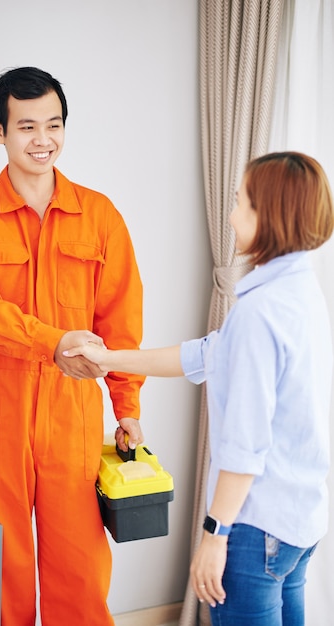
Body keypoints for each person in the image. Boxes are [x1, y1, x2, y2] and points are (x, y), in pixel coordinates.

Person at [64, 152, 334, 626]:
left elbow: (245, 447)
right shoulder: (302, 292)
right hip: (301, 522)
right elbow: (203, 354)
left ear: (268, 215)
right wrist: (109, 360)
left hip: (254, 528)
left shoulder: (258, 314)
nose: (230, 217)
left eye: (240, 203)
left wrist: (214, 534)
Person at [0, 66, 145, 626]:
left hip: (71, 415)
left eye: (53, 125)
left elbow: (121, 322)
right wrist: (51, 342)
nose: (42, 140)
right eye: (26, 126)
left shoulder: (99, 216)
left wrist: (126, 409)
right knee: (2, 572)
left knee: (79, 571)